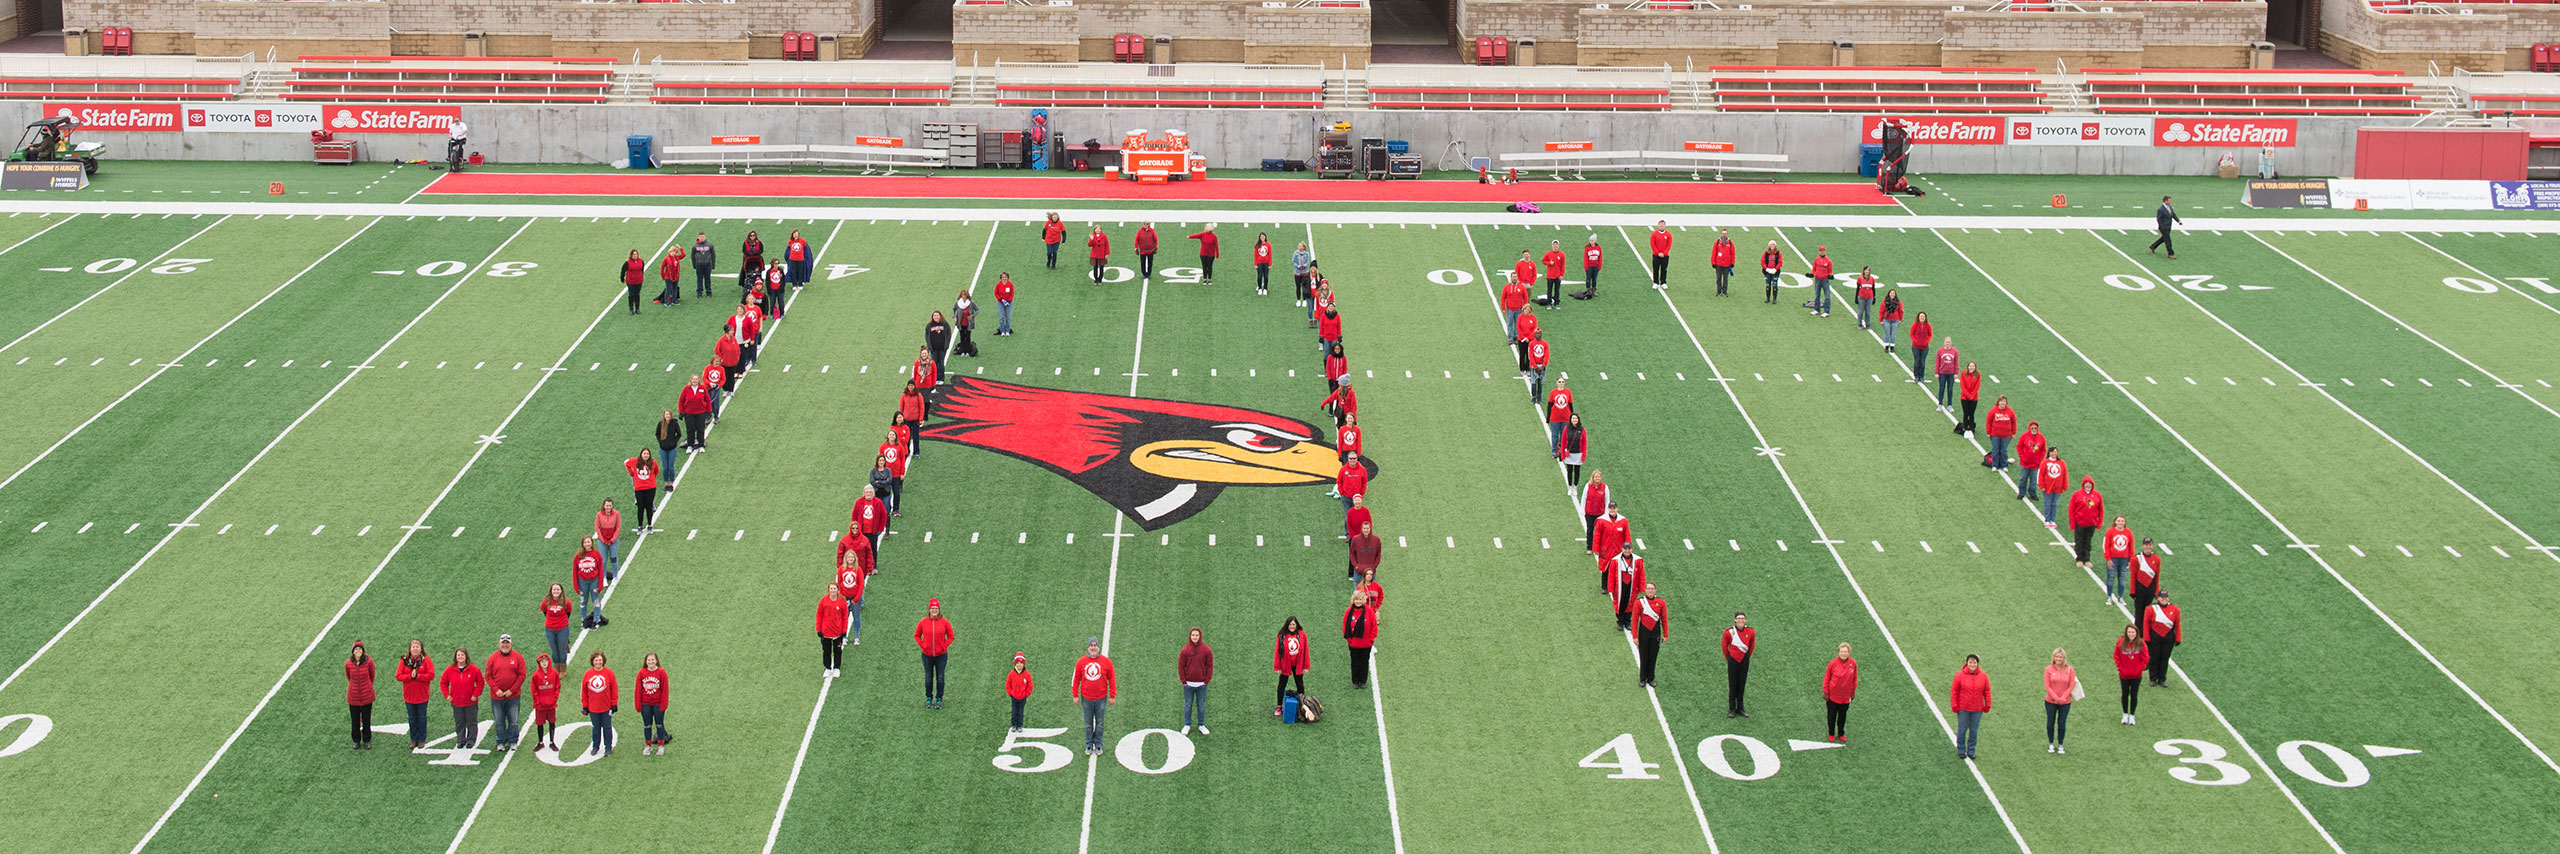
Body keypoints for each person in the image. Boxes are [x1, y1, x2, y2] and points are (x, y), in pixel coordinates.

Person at [1071, 638, 1117, 755]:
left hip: (1101, 698)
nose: (1093, 647)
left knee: (1100, 723)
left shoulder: (1107, 662)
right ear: (1088, 648)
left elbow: (1112, 679)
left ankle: (1098, 744)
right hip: (1086, 698)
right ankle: (1089, 744)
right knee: (1088, 724)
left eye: (1095, 645)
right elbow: (1076, 680)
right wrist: (1075, 695)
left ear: (1098, 647)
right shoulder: (1081, 662)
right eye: (1091, 645)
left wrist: (1112, 695)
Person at [486, 635, 526, 752]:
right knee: (499, 721)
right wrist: (496, 690)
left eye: (507, 643)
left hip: (513, 696)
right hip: (496, 697)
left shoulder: (518, 657)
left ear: (511, 644)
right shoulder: (492, 658)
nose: (505, 645)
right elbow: (488, 676)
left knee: (513, 721)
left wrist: (511, 690)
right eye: (503, 643)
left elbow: (522, 675)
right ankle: (501, 741)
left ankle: (513, 741)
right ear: (499, 644)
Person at [441, 646, 483, 751]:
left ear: (466, 656)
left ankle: (471, 740)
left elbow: (480, 682)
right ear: (455, 657)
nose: (460, 657)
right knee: (459, 722)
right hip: (456, 702)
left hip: (470, 702)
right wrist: (447, 695)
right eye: (458, 655)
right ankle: (461, 740)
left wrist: (475, 694)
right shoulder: (450, 670)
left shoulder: (473, 669)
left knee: (471, 722)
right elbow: (443, 683)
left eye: (462, 655)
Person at [916, 598, 954, 708]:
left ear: (939, 610)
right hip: (927, 655)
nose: (934, 610)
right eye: (932, 608)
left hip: (941, 655)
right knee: (928, 677)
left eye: (936, 608)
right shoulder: (923, 622)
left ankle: (939, 699)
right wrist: (923, 645)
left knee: (940, 677)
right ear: (929, 610)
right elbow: (917, 635)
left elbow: (951, 636)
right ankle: (929, 698)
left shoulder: (944, 622)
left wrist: (943, 646)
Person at [1950, 654, 1990, 759]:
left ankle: (1971, 750)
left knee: (1974, 731)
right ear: (1967, 663)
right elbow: (1954, 691)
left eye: (1974, 662)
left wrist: (1988, 704)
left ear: (1977, 664)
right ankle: (1961, 749)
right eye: (1970, 662)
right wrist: (1955, 705)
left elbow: (1987, 691)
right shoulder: (1959, 675)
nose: (1972, 664)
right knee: (1962, 730)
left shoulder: (1983, 676)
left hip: (1977, 709)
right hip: (1963, 709)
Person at [1177, 627, 1214, 735]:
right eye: (1193, 635)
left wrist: (1206, 680)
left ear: (1200, 636)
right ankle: (1187, 724)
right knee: (1188, 704)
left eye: (1197, 635)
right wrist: (1184, 681)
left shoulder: (1206, 650)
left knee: (1201, 705)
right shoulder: (1185, 650)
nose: (1195, 637)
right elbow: (1181, 666)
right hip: (1188, 684)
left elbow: (1210, 665)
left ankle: (1201, 725)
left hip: (1202, 684)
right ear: (1190, 636)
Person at [581, 651, 618, 757]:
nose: (598, 662)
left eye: (600, 660)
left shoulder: (609, 673)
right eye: (596, 660)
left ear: (603, 661)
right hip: (593, 707)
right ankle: (595, 747)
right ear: (592, 662)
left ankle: (608, 747)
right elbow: (584, 691)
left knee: (607, 727)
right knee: (596, 728)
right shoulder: (587, 674)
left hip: (606, 707)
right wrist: (585, 705)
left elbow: (614, 689)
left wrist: (614, 704)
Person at [1273, 616, 1311, 715]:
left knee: (1300, 685)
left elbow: (1306, 651)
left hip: (1298, 665)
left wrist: (1306, 666)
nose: (1292, 626)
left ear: (1297, 625)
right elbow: (1277, 652)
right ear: (1287, 625)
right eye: (1290, 624)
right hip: (1285, 665)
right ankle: (1279, 706)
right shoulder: (1281, 635)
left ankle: (1303, 705)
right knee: (1281, 685)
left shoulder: (1302, 635)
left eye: (1294, 624)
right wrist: (1277, 667)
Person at [834, 541, 870, 644]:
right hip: (845, 597)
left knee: (856, 616)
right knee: (844, 617)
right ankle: (844, 637)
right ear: (846, 558)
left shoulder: (858, 570)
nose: (850, 559)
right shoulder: (841, 569)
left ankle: (856, 637)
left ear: (854, 559)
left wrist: (856, 599)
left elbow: (861, 585)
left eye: (852, 557)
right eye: (848, 557)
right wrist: (842, 597)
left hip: (855, 598)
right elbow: (839, 583)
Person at [1822, 642, 1859, 744]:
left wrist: (1853, 691)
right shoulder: (1832, 663)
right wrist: (1826, 692)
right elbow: (1827, 678)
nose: (1844, 653)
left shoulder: (1853, 663)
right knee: (1831, 716)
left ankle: (1841, 733)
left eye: (1846, 652)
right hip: (1833, 696)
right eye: (1842, 651)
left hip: (1845, 697)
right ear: (1838, 652)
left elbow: (1854, 678)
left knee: (1842, 717)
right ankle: (1831, 733)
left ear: (1849, 652)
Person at [635, 652, 671, 755]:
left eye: (652, 660)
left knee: (659, 724)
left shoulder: (661, 672)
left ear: (656, 661)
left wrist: (663, 704)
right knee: (647, 725)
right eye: (649, 660)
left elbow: (665, 689)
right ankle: (648, 745)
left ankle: (661, 745)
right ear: (646, 662)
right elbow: (638, 690)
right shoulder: (641, 673)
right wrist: (638, 704)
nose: (651, 662)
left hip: (658, 704)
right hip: (645, 704)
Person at [2144, 592, 2181, 688]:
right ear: (2157, 599)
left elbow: (2177, 625)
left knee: (2164, 659)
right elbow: (2146, 624)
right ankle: (2153, 678)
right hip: (2154, 638)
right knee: (2154, 658)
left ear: (2168, 598)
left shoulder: (2175, 609)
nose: (2164, 599)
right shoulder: (2150, 609)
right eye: (2161, 597)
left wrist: (2178, 638)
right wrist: (2147, 638)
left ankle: (2162, 679)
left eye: (2166, 597)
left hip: (2168, 639)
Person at [1633, 582, 1667, 687]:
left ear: (1655, 590)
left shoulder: (1661, 602)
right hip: (1643, 632)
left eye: (1652, 589)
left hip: (1655, 632)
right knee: (1643, 655)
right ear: (1645, 590)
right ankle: (1643, 678)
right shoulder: (1639, 603)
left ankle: (1651, 678)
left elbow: (1664, 619)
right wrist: (1634, 636)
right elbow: (1635, 620)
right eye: (1648, 589)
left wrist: (1666, 634)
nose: (1650, 590)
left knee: (1653, 656)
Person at [2043, 648, 2077, 754]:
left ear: (2064, 658)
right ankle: (2051, 743)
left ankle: (2061, 744)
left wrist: (2063, 697)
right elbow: (2047, 686)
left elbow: (2071, 685)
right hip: (2050, 701)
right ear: (2053, 658)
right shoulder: (2048, 669)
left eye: (2060, 657)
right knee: (2050, 722)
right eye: (2057, 657)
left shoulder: (2070, 670)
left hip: (2065, 702)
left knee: (2062, 723)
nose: (2058, 659)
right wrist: (2056, 698)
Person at [2113, 624, 2148, 726]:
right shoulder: (2121, 643)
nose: (2131, 634)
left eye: (2133, 632)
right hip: (2124, 675)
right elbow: (2116, 657)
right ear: (2126, 633)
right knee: (2124, 694)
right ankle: (2125, 714)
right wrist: (2121, 669)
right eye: (2129, 632)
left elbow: (2145, 658)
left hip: (2137, 675)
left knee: (2134, 695)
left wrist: (2139, 668)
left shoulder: (2141, 643)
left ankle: (2132, 715)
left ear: (2136, 633)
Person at [1343, 589, 1379, 689]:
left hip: (1366, 644)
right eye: (1356, 600)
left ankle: (1363, 681)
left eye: (1360, 599)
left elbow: (1374, 627)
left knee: (1364, 662)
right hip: (1354, 644)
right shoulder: (1349, 612)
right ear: (1353, 600)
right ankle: (1355, 681)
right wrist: (1350, 641)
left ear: (1363, 600)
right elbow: (1345, 627)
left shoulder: (1369, 611)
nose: (1358, 601)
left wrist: (1370, 640)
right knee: (1354, 662)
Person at [1723, 612, 1756, 717]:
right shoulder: (1729, 632)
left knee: (1741, 684)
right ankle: (1732, 709)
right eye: (1739, 618)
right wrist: (1729, 658)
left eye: (1743, 618)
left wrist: (1746, 658)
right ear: (1735, 620)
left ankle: (1740, 708)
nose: (1741, 620)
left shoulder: (1750, 632)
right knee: (1733, 684)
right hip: (1733, 660)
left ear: (1745, 620)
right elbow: (1724, 646)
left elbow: (1752, 646)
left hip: (1744, 660)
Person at [2068, 477, 2104, 571]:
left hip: (2091, 523)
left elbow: (2101, 510)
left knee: (2088, 542)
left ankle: (2087, 559)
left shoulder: (2097, 495)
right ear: (2083, 484)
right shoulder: (2077, 494)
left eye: (2090, 484)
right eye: (2086, 483)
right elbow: (2071, 509)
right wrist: (2072, 523)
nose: (2088, 485)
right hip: (2080, 523)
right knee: (2079, 541)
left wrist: (2099, 522)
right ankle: (2079, 558)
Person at [1592, 503, 1630, 592]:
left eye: (1614, 508)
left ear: (1617, 509)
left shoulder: (1623, 521)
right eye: (1611, 508)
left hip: (1618, 549)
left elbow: (1627, 535)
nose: (1612, 510)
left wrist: (1628, 548)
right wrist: (1596, 548)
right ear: (1608, 509)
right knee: (1606, 568)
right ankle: (1604, 587)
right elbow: (1597, 535)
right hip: (1606, 549)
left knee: (1619, 568)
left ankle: (1617, 586)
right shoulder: (1602, 520)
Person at [345, 640, 376, 750]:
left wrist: (367, 687)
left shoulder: (369, 662)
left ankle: (367, 740)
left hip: (367, 696)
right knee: (355, 720)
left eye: (360, 649)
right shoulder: (348, 663)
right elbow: (349, 677)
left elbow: (372, 676)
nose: (358, 651)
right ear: (353, 652)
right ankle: (356, 740)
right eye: (356, 649)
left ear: (363, 651)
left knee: (366, 719)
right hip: (353, 697)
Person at [530, 653, 562, 752]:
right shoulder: (535, 675)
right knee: (540, 723)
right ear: (539, 663)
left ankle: (552, 742)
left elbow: (557, 686)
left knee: (552, 722)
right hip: (540, 706)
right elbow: (534, 690)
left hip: (551, 704)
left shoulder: (554, 673)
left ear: (549, 662)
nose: (544, 663)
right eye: (542, 661)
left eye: (545, 661)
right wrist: (538, 701)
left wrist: (554, 698)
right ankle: (540, 742)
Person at [574, 536, 607, 629]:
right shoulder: (578, 556)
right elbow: (574, 571)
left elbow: (601, 570)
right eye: (585, 542)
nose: (587, 544)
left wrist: (600, 585)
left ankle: (597, 619)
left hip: (594, 581)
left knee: (596, 601)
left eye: (588, 542)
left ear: (592, 543)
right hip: (582, 582)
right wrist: (576, 586)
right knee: (583, 601)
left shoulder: (596, 554)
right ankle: (584, 619)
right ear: (582, 544)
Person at [2101, 516, 2136, 605]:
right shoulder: (2110, 532)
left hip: (2124, 559)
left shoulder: (2129, 532)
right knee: (2111, 577)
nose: (2120, 523)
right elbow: (2106, 546)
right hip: (2113, 558)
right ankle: (2109, 596)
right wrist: (2108, 559)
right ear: (2115, 522)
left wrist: (2130, 560)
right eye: (2119, 521)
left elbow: (2131, 547)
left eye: (2122, 521)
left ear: (2125, 523)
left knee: (2122, 579)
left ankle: (2120, 597)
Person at [1609, 552, 1647, 632]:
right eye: (1625, 549)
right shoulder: (1616, 560)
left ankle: (1627, 622)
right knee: (1620, 603)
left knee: (1630, 603)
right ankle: (1620, 622)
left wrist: (1641, 587)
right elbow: (1611, 575)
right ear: (1622, 550)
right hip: (1620, 585)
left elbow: (1641, 574)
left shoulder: (1637, 560)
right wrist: (1611, 588)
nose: (1627, 551)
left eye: (1629, 549)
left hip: (1632, 585)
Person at [818, 583, 849, 677]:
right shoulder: (823, 601)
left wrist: (844, 630)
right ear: (828, 590)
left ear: (837, 590)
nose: (832, 590)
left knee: (837, 651)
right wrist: (819, 629)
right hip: (826, 632)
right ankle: (827, 668)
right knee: (826, 651)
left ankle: (836, 668)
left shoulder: (842, 602)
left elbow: (845, 617)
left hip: (837, 632)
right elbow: (819, 615)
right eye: (831, 588)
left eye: (834, 588)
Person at [625, 450, 659, 533]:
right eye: (644, 453)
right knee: (640, 507)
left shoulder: (653, 462)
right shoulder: (635, 461)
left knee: (649, 506)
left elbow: (656, 471)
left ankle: (650, 525)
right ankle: (640, 526)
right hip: (639, 488)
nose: (646, 455)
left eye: (647, 454)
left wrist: (651, 478)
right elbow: (626, 463)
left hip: (650, 488)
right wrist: (631, 474)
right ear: (641, 454)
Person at [540, 582, 573, 666]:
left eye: (558, 589)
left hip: (562, 629)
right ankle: (556, 667)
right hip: (550, 629)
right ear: (551, 591)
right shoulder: (545, 602)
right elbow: (544, 611)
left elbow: (568, 612)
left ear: (561, 591)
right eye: (554, 589)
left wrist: (561, 622)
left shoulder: (566, 602)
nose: (556, 591)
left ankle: (563, 669)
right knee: (554, 650)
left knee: (562, 650)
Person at [2015, 422, 2048, 503]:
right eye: (2032, 428)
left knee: (2033, 480)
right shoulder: (2024, 436)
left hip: (2035, 465)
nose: (2034, 430)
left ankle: (2032, 494)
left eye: (2035, 428)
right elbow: (2019, 446)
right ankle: (2022, 493)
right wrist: (2022, 457)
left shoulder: (2041, 438)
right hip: (2024, 463)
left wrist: (2040, 460)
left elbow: (2043, 450)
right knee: (2023, 479)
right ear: (2030, 428)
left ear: (2037, 429)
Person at [879, 433, 910, 517]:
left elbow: (902, 459)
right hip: (885, 474)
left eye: (893, 435)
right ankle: (886, 509)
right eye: (890, 434)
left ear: (896, 436)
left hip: (896, 474)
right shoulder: (883, 446)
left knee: (896, 492)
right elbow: (879, 459)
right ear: (888, 436)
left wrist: (902, 473)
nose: (892, 436)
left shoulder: (899, 446)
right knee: (885, 492)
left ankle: (896, 510)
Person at [678, 377, 712, 454]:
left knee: (700, 429)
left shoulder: (702, 388)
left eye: (696, 379)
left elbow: (707, 400)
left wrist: (709, 410)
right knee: (690, 430)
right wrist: (681, 411)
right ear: (691, 380)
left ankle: (701, 445)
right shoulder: (686, 388)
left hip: (701, 413)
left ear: (698, 381)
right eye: (693, 379)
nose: (695, 381)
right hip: (689, 413)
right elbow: (681, 400)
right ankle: (690, 445)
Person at [2131, 538, 2163, 616]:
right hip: (2139, 588)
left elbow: (2157, 576)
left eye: (2150, 545)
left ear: (2152, 546)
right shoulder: (2136, 559)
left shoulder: (2157, 559)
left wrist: (2156, 592)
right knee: (2138, 612)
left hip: (2150, 589)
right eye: (2146, 545)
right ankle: (2138, 628)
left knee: (2147, 613)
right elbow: (2133, 576)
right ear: (2143, 546)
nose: (2148, 547)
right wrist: (2132, 591)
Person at [2037, 448, 2069, 528]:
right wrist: (2041, 486)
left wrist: (2065, 486)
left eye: (2055, 452)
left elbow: (2065, 475)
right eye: (2052, 452)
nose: (2054, 453)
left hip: (2058, 488)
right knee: (2048, 504)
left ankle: (2052, 520)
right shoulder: (2045, 462)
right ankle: (2047, 520)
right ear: (2049, 453)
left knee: (2054, 504)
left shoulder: (2061, 463)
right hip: (2047, 487)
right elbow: (2040, 475)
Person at [1499, 261, 1530, 343]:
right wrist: (1503, 308)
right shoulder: (1507, 287)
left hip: (1519, 308)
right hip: (1509, 309)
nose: (1514, 278)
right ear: (1511, 277)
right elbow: (1503, 298)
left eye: (1516, 276)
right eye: (1513, 277)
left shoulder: (1521, 286)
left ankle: (1516, 337)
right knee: (1509, 324)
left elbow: (1525, 296)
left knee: (1518, 324)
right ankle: (1510, 338)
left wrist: (1525, 307)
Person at [1556, 413, 1588, 488]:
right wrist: (1563, 454)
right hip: (1569, 454)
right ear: (1570, 420)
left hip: (1578, 454)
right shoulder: (1566, 428)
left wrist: (1583, 456)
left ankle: (1575, 486)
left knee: (1577, 471)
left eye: (1576, 418)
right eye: (1573, 418)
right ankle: (1570, 486)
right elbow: (1563, 441)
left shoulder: (1582, 430)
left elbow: (1584, 443)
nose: (1574, 420)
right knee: (1569, 471)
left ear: (1578, 420)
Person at [1985, 396, 2017, 470]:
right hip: (1995, 435)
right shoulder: (1992, 411)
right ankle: (1994, 465)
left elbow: (2014, 422)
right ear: (1998, 402)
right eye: (2001, 401)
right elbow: (1988, 422)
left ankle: (2004, 465)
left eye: (2004, 401)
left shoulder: (2010, 412)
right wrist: (1988, 432)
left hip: (2006, 436)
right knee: (1995, 450)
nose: (2003, 403)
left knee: (2003, 450)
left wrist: (2014, 432)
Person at [1006, 653, 1035, 733]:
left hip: (1022, 697)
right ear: (1015, 664)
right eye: (1018, 663)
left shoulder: (1027, 674)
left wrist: (1026, 694)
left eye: (1021, 663)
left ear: (1023, 664)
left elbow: (1030, 685)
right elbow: (1007, 684)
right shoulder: (1011, 674)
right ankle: (1014, 725)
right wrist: (1011, 693)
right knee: (1014, 711)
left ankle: (1020, 725)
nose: (1019, 665)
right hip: (1014, 697)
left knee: (1020, 712)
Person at [1580, 471, 1609, 553]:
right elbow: (1584, 498)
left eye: (1598, 476)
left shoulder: (1605, 487)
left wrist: (1606, 513)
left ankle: (1598, 547)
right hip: (1589, 512)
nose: (1597, 478)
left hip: (1600, 513)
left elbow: (1607, 500)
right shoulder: (1588, 486)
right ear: (1592, 477)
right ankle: (1589, 547)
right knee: (1590, 530)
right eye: (1595, 476)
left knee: (1600, 531)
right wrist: (1582, 510)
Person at [595, 499, 623, 581]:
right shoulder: (599, 514)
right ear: (604, 505)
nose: (608, 507)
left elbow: (618, 527)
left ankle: (615, 576)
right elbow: (597, 527)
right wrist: (603, 540)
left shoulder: (616, 514)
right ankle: (603, 577)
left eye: (610, 505)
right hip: (602, 541)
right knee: (603, 560)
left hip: (613, 541)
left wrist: (613, 539)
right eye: (607, 505)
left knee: (613, 558)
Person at [853, 484, 888, 551]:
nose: (868, 494)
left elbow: (883, 516)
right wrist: (855, 528)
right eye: (867, 492)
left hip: (873, 532)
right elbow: (854, 515)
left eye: (870, 492)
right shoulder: (859, 502)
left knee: (873, 550)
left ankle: (873, 562)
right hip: (861, 532)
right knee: (861, 550)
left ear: (873, 493)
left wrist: (880, 529)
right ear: (864, 493)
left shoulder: (878, 502)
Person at [2149, 196, 2181, 260]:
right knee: (2168, 240)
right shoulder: (2160, 209)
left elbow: (2173, 215)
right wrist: (2162, 226)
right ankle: (2170, 253)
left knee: (2164, 238)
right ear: (2165, 201)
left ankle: (2153, 246)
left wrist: (2178, 221)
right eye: (2169, 201)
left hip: (2168, 226)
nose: (2170, 202)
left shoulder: (2170, 207)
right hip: (2163, 227)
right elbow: (2159, 219)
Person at [1933, 337, 1960, 411]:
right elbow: (1937, 362)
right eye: (1946, 342)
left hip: (1951, 373)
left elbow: (1956, 363)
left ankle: (1949, 405)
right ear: (1944, 342)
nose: (1947, 343)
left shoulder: (1954, 351)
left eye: (1949, 342)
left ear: (1951, 342)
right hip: (1942, 373)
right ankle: (1940, 404)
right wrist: (1936, 372)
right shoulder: (1940, 351)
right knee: (1941, 388)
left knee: (1950, 389)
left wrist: (1956, 372)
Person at [1524, 330, 1551, 404]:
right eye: (1536, 333)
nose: (1537, 335)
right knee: (1533, 382)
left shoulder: (1545, 344)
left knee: (1540, 382)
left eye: (1539, 333)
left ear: (1541, 334)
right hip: (1534, 366)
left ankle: (1539, 398)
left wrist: (1543, 365)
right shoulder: (1531, 343)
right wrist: (1535, 366)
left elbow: (1547, 355)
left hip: (1541, 365)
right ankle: (1533, 398)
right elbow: (1530, 356)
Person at [1543, 381, 1572, 450]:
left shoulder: (1568, 392)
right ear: (1556, 383)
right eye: (1559, 382)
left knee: (1563, 435)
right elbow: (1549, 405)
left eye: (1562, 382)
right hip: (1555, 418)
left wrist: (1572, 417)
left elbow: (1570, 405)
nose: (1561, 383)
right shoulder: (1553, 392)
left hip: (1565, 418)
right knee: (1555, 435)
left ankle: (1561, 450)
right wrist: (1548, 417)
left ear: (1564, 383)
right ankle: (1554, 450)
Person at [1806, 246, 1834, 317]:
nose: (1822, 252)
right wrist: (1811, 274)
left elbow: (1830, 271)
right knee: (1817, 295)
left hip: (1825, 280)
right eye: (1821, 250)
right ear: (1819, 251)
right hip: (1817, 279)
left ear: (1825, 251)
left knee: (1827, 296)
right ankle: (1817, 309)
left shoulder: (1828, 261)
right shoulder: (1816, 260)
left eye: (1823, 250)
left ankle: (1827, 311)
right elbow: (1814, 269)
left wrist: (1830, 276)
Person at [1572, 234, 1602, 300]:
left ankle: (1594, 290)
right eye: (1590, 240)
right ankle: (1588, 290)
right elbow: (1585, 258)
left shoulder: (1598, 247)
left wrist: (1599, 266)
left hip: (1596, 266)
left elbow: (1600, 257)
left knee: (1594, 279)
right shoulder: (1587, 248)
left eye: (1592, 240)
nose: (1591, 242)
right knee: (1588, 279)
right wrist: (1586, 267)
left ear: (1595, 241)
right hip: (1589, 266)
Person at [1955, 362, 1982, 435]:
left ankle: (1971, 428)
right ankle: (1965, 428)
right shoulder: (1964, 373)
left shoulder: (1978, 374)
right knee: (1966, 413)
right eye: (1970, 366)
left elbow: (1977, 386)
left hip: (1974, 398)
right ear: (1968, 367)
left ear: (1975, 367)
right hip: (1964, 397)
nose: (1971, 367)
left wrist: (1972, 395)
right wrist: (1968, 395)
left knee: (1972, 413)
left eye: (1973, 366)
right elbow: (1962, 385)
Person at [618, 249, 647, 315]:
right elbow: (623, 271)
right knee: (631, 295)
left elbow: (642, 269)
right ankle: (631, 309)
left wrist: (641, 277)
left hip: (639, 281)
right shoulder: (627, 262)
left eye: (636, 254)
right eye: (633, 254)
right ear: (631, 255)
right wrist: (622, 278)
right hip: (631, 281)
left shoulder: (641, 261)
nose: (635, 255)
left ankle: (637, 308)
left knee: (637, 294)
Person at [1514, 305, 1541, 377]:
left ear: (1530, 310)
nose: (1526, 311)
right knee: (1522, 354)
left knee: (1529, 355)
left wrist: (1528, 338)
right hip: (1522, 339)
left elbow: (1534, 329)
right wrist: (1524, 337)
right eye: (1525, 309)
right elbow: (1518, 327)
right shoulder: (1520, 317)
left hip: (1530, 340)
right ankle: (1522, 369)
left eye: (1527, 309)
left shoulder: (1533, 317)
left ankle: (1528, 368)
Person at [1541, 240, 1568, 308]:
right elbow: (1543, 261)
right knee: (1549, 290)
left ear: (1558, 246)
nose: (1555, 246)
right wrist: (1549, 263)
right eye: (1554, 244)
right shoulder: (1548, 253)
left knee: (1557, 290)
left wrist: (1561, 275)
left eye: (1556, 244)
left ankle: (1556, 303)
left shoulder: (1562, 254)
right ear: (1552, 245)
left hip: (1558, 276)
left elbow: (1563, 265)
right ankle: (1549, 303)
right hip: (1550, 275)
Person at [1708, 228, 1735, 296]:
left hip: (1727, 265)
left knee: (1725, 279)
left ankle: (1725, 292)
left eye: (1725, 233)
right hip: (1718, 264)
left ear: (1727, 234)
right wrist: (1713, 262)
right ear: (1721, 234)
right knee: (1718, 279)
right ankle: (1718, 291)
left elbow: (1733, 253)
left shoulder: (1730, 243)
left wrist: (1732, 263)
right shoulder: (1717, 242)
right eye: (1723, 233)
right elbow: (1714, 253)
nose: (1724, 235)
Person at [689, 232, 716, 298]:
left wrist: (713, 264)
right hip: (699, 265)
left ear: (705, 237)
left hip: (707, 264)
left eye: (703, 237)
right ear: (698, 237)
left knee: (708, 279)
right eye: (700, 237)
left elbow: (713, 255)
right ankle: (699, 293)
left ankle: (708, 292)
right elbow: (692, 256)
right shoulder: (695, 246)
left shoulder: (710, 245)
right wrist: (694, 265)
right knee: (699, 279)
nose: (702, 238)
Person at [953, 289, 980, 357]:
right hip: (961, 323)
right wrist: (954, 317)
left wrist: (972, 316)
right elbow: (953, 309)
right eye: (962, 295)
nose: (963, 296)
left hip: (968, 323)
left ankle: (967, 351)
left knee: (968, 337)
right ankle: (962, 351)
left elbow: (977, 309)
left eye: (965, 295)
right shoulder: (958, 302)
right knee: (962, 337)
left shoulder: (971, 302)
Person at [1657, 221, 1683, 291]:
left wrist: (1664, 253)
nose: (1661, 226)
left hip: (1665, 255)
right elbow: (1653, 244)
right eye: (1660, 225)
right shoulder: (1654, 234)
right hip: (1656, 255)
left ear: (1665, 225)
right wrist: (1658, 252)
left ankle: (1663, 282)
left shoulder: (1668, 234)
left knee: (1664, 269)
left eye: (1663, 225)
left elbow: (1669, 245)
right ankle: (1655, 282)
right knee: (1656, 269)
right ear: (1658, 225)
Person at [1908, 310, 1933, 383]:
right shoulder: (1915, 325)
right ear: (1918, 317)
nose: (1922, 318)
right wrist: (1916, 341)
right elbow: (1911, 334)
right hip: (1916, 346)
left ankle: (1921, 376)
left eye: (1923, 317)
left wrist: (1927, 341)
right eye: (1921, 316)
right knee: (1917, 361)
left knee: (1922, 362)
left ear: (1925, 318)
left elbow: (1930, 335)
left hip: (1925, 347)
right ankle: (1916, 376)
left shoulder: (1928, 325)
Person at [1292, 241, 1314, 317]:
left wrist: (1304, 265)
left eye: (1300, 245)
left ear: (1303, 247)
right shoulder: (1295, 253)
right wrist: (1298, 266)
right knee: (1298, 286)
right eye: (1298, 245)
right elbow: (1293, 261)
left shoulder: (1306, 254)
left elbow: (1307, 261)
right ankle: (1298, 300)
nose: (1299, 246)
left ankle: (1304, 300)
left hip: (1305, 272)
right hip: (1297, 273)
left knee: (1304, 287)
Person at [1879, 288, 1902, 353]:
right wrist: (1880, 319)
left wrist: (1900, 320)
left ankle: (1892, 347)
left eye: (1893, 293)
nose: (1892, 294)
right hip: (1886, 320)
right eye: (1891, 293)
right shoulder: (1884, 302)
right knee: (1887, 333)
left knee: (1893, 334)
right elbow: (1881, 311)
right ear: (1889, 294)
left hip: (1895, 320)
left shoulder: (1898, 302)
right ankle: (1886, 346)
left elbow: (1901, 311)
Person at [993, 272, 1016, 336]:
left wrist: (1008, 301)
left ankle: (1008, 331)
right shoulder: (998, 284)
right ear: (1001, 278)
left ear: (1008, 278)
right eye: (1003, 277)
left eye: (1005, 277)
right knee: (1001, 317)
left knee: (1008, 317)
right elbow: (995, 293)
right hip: (1000, 303)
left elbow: (1012, 293)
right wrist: (1000, 299)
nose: (1004, 278)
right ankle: (1002, 330)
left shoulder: (1010, 284)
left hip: (1009, 303)